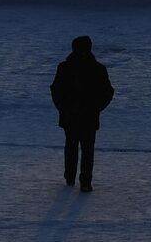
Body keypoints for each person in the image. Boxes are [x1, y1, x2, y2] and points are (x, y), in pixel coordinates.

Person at [49, 35, 114, 192]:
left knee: (75, 147)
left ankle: (74, 178)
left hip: (79, 115)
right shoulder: (96, 68)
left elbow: (56, 90)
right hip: (83, 115)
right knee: (85, 148)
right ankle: (81, 180)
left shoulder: (66, 67)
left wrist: (63, 108)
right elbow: (108, 92)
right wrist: (96, 108)